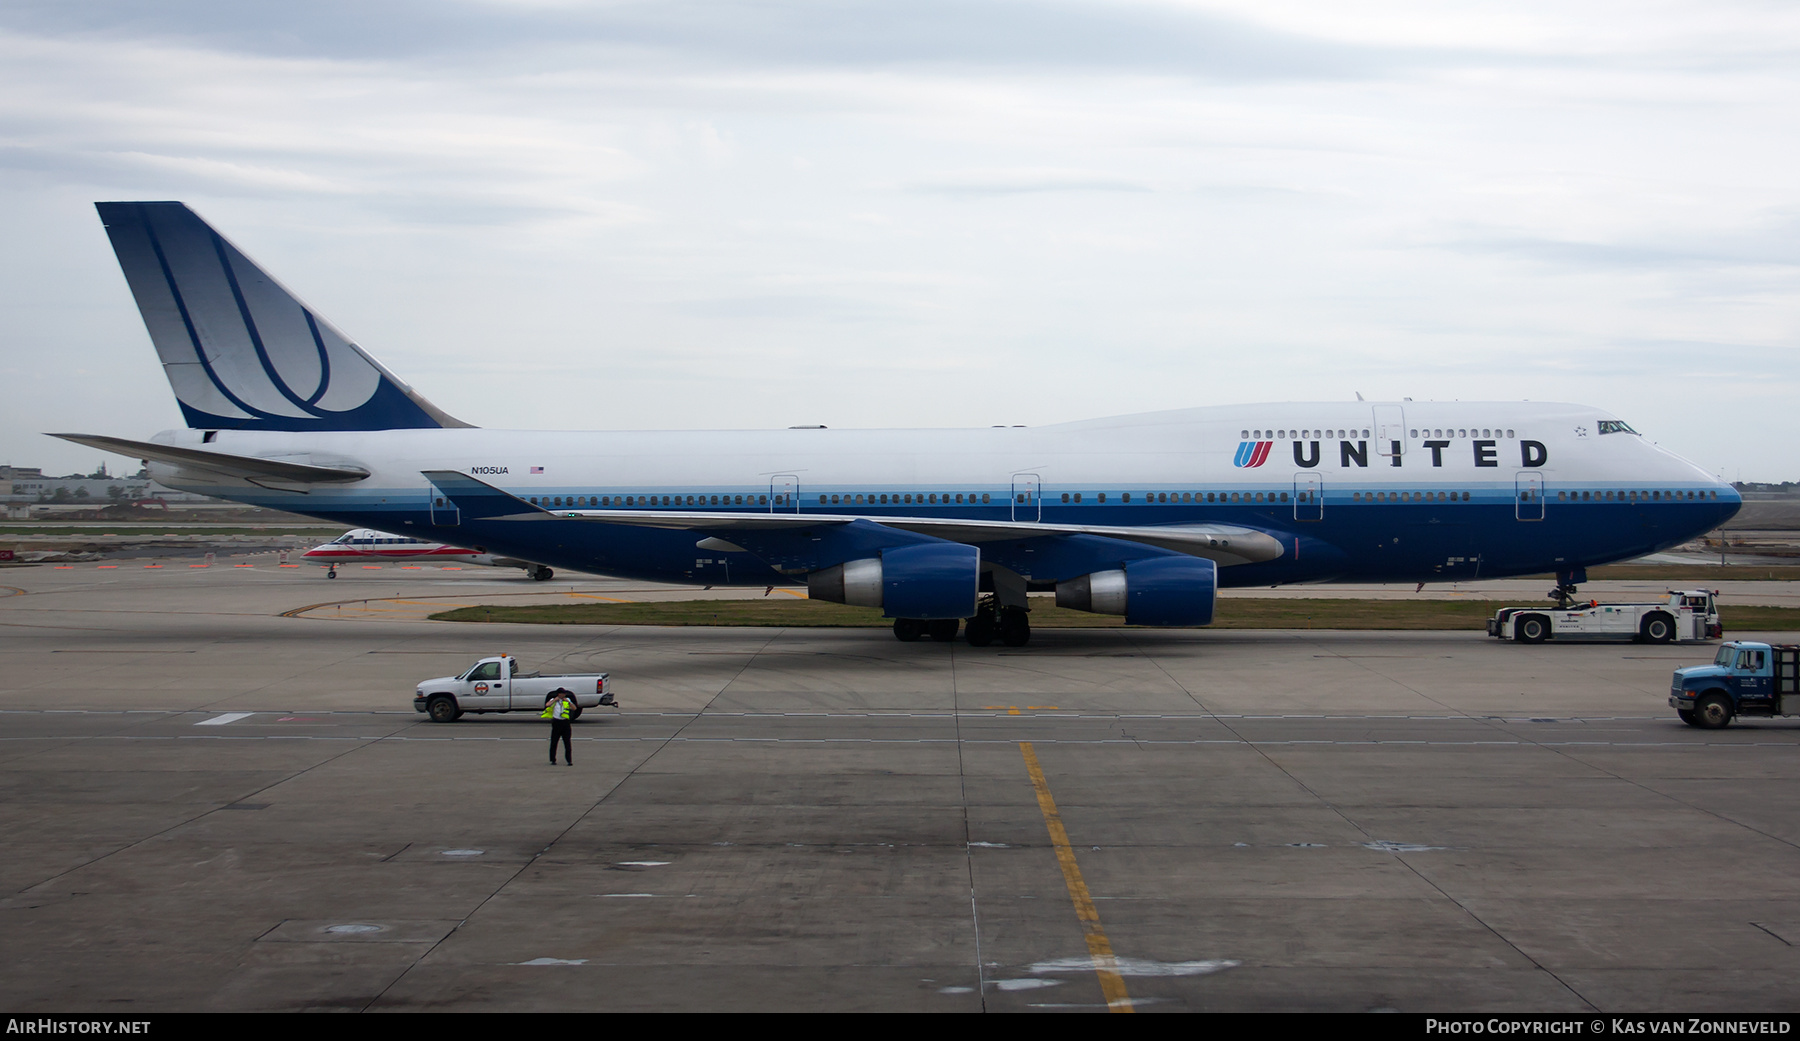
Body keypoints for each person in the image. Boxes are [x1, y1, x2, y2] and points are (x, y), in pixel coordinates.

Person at [543, 687, 575, 765]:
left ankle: (569, 760)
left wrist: (569, 702)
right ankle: (553, 759)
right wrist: (555, 700)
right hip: (556, 722)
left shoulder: (567, 700)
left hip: (565, 723)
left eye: (564, 694)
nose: (563, 695)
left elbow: (574, 708)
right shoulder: (553, 700)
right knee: (554, 742)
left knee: (567, 742)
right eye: (561, 694)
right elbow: (547, 705)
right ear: (558, 694)